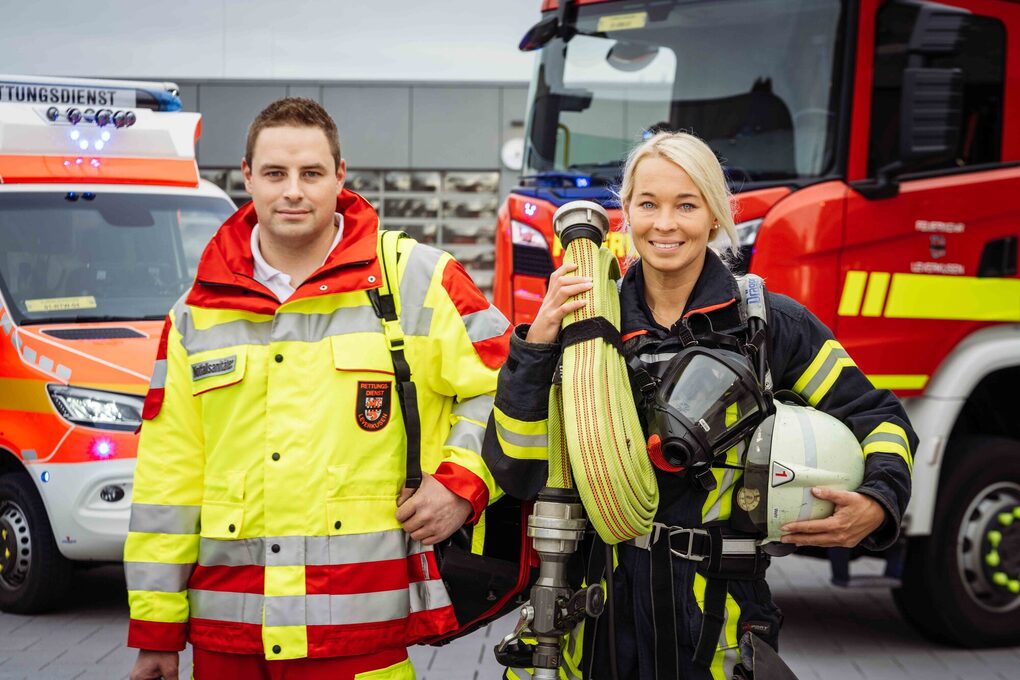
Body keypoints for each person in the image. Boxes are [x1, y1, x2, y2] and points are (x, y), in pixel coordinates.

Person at [487, 131, 914, 679]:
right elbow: (516, 467)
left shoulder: (766, 325)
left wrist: (879, 501)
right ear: (627, 214)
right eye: (648, 205)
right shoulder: (586, 328)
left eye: (685, 205)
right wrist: (539, 344)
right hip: (600, 620)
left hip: (720, 623)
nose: (665, 224)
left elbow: (877, 416)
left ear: (714, 215)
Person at [124, 97, 511, 680]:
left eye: (311, 173)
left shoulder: (417, 281)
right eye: (275, 174)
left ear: (340, 175)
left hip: (360, 630)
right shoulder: (194, 315)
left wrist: (460, 486)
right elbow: (167, 481)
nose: (293, 192)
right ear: (247, 176)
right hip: (229, 636)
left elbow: (512, 388)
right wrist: (155, 631)